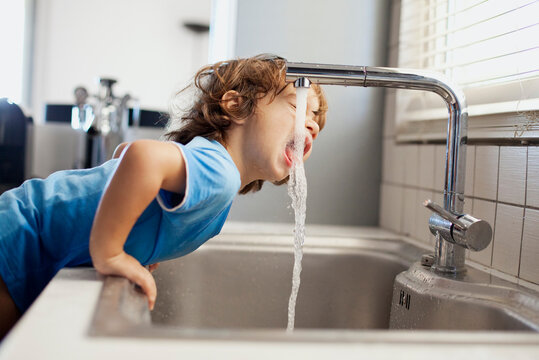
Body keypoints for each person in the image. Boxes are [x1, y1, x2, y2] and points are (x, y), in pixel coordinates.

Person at [0, 54, 328, 339]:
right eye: (299, 107)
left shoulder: (211, 167)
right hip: (22, 236)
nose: (311, 125)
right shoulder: (220, 172)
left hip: (27, 234)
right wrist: (112, 252)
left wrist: (134, 236)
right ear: (235, 105)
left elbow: (123, 153)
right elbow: (140, 157)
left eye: (317, 122)